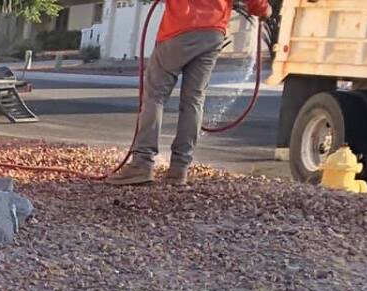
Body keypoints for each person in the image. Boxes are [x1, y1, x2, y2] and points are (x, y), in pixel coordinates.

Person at [105, 0, 269, 185]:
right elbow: (256, 3)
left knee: (155, 96)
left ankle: (142, 163)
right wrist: (264, 9)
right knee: (194, 100)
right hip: (213, 31)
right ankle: (179, 169)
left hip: (179, 27)